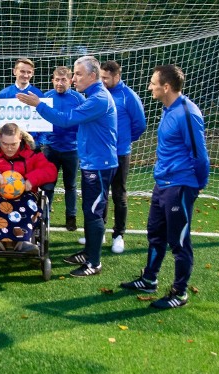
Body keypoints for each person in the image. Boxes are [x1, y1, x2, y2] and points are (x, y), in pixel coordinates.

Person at [17, 56, 117, 277]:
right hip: (93, 162)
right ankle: (89, 252)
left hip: (100, 165)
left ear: (93, 76)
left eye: (78, 74)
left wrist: (38, 105)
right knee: (89, 210)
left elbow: (65, 119)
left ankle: (94, 262)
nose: (74, 79)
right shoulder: (92, 96)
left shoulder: (98, 98)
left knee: (93, 213)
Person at [119, 64, 209, 309]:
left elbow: (200, 155)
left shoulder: (187, 113)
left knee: (178, 242)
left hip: (180, 186)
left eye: (153, 83)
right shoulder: (168, 110)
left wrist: (198, 184)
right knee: (155, 233)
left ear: (166, 87)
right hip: (162, 184)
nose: (150, 87)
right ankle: (149, 278)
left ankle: (179, 292)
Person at [86, 60, 146, 254]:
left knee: (119, 194)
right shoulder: (97, 94)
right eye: (100, 77)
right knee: (100, 193)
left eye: (106, 78)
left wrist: (124, 140)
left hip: (120, 153)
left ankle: (119, 235)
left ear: (117, 76)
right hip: (101, 154)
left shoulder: (129, 96)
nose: (102, 81)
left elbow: (140, 125)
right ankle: (99, 231)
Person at [0, 123, 57, 253]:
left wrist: (32, 179)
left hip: (24, 193)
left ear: (21, 139)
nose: (9, 148)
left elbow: (50, 170)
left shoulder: (33, 153)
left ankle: (23, 241)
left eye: (13, 144)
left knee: (27, 205)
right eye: (5, 144)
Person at [39, 66, 86, 232]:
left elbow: (83, 123)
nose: (60, 83)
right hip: (50, 148)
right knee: (48, 184)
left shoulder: (79, 99)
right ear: (52, 80)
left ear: (70, 81)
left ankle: (71, 217)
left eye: (63, 80)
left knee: (70, 185)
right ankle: (45, 215)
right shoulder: (45, 98)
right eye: (57, 80)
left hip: (72, 150)